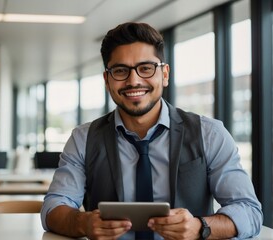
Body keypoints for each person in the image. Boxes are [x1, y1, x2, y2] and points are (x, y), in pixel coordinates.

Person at [41, 22, 262, 240]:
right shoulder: (83, 139)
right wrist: (83, 222)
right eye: (120, 71)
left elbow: (249, 211)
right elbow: (53, 208)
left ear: (164, 74)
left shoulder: (209, 134)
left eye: (145, 68)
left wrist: (200, 227)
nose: (134, 80)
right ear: (107, 81)